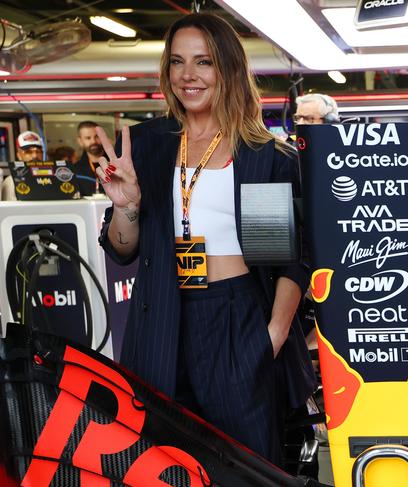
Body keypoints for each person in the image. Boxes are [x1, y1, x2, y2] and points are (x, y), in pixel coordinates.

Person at [96, 13, 315, 464]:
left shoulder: (260, 154)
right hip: (161, 317)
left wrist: (270, 336)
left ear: (229, 69)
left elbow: (287, 258)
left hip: (236, 318)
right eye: (177, 62)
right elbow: (122, 250)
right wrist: (126, 205)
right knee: (163, 462)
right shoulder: (147, 145)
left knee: (247, 465)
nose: (188, 75)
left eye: (204, 62)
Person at [74, 121, 105, 196]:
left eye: (96, 136)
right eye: (88, 138)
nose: (93, 141)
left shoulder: (115, 163)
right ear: (80, 141)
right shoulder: (75, 170)